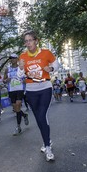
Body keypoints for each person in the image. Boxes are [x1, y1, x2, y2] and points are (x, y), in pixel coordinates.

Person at [17, 30, 59, 162]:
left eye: (30, 40)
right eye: (26, 41)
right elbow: (19, 76)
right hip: (30, 90)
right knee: (39, 118)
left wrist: (51, 69)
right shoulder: (23, 56)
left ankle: (48, 147)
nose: (28, 43)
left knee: (42, 116)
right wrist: (21, 68)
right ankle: (48, 140)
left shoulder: (46, 53)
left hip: (45, 87)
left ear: (36, 41)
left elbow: (56, 64)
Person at [3, 53, 29, 136]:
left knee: (18, 105)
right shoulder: (7, 69)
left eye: (13, 58)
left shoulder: (21, 68)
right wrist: (7, 80)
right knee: (16, 109)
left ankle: (18, 127)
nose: (12, 59)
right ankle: (24, 115)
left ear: (17, 59)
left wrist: (22, 80)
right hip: (11, 90)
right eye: (10, 58)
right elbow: (4, 80)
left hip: (20, 89)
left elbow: (26, 79)